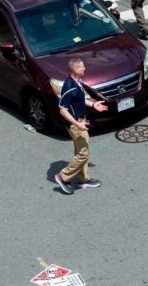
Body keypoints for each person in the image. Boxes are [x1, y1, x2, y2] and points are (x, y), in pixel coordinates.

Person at [53, 58, 108, 195]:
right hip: (76, 125)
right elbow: (62, 109)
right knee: (83, 154)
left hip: (81, 121)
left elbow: (80, 99)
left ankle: (83, 179)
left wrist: (94, 104)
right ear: (76, 70)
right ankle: (62, 176)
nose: (85, 68)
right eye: (82, 67)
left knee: (81, 152)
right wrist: (77, 124)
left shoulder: (77, 82)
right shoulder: (70, 86)